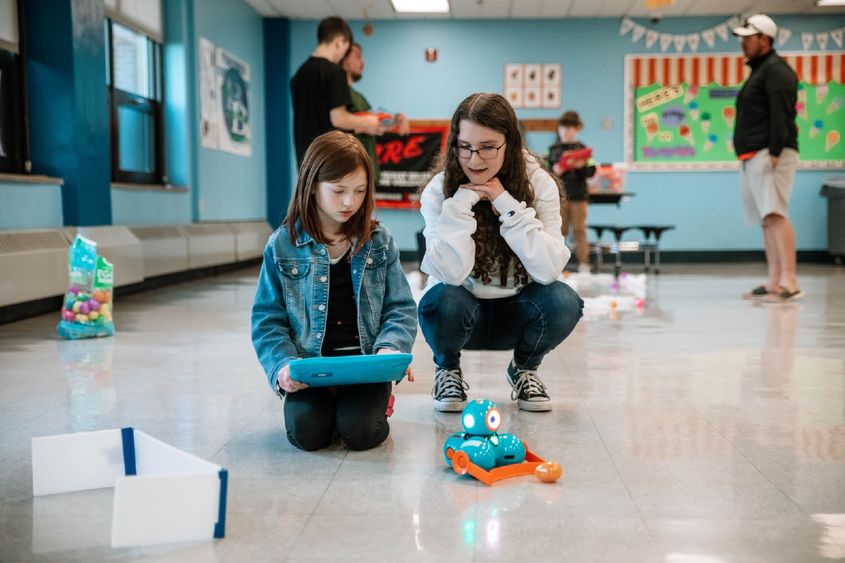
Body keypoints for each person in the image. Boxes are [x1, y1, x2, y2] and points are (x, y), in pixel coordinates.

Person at [417, 93, 584, 413]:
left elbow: (548, 270)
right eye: (465, 147)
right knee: (442, 299)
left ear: (510, 143)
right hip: (462, 313)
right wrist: (461, 204)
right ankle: (448, 369)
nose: (475, 160)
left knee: (564, 300)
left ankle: (524, 369)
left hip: (518, 311)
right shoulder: (440, 190)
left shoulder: (539, 183)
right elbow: (449, 274)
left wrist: (506, 204)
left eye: (488, 147)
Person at [252, 131, 418, 451]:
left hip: (366, 369)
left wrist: (391, 349)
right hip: (312, 370)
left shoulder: (379, 240)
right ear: (313, 185)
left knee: (360, 433)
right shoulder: (283, 244)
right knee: (307, 434)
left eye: (359, 191)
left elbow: (400, 308)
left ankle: (368, 405)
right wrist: (281, 366)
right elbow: (267, 319)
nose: (349, 202)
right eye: (338, 190)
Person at [732, 14, 802, 303]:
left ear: (765, 40)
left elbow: (782, 113)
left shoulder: (777, 71)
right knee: (766, 218)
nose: (743, 44)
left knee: (775, 214)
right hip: (752, 155)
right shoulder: (760, 71)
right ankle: (775, 280)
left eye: (749, 38)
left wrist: (775, 151)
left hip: (770, 154)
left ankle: (791, 281)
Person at [290, 17, 385, 165]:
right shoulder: (335, 72)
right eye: (346, 50)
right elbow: (339, 119)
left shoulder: (298, 75)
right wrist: (367, 121)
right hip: (329, 158)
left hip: (305, 159)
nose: (343, 56)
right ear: (340, 42)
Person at [340, 42, 411, 186]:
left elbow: (377, 119)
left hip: (366, 171)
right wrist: (362, 125)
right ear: (344, 58)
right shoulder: (339, 96)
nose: (363, 62)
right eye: (358, 56)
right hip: (349, 172)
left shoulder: (358, 97)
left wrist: (396, 118)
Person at [547, 111, 596, 273]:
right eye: (563, 127)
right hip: (558, 197)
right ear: (559, 129)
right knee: (559, 230)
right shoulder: (553, 149)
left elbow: (592, 170)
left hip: (578, 196)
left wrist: (581, 167)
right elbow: (544, 173)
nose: (566, 131)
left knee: (580, 230)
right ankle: (558, 265)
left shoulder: (583, 149)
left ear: (577, 129)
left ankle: (584, 263)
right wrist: (555, 170)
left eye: (570, 128)